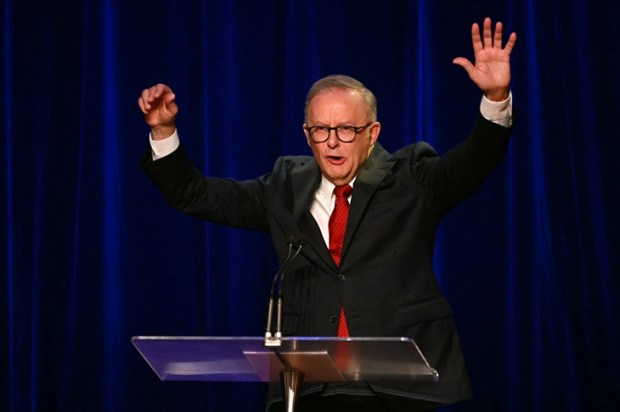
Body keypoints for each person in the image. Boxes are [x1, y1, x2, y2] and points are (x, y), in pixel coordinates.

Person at [138, 17, 517, 412]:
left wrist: (495, 98)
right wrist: (163, 132)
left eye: (346, 129)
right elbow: (197, 195)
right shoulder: (285, 186)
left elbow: (473, 163)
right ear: (307, 134)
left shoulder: (411, 177)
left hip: (399, 387)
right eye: (321, 130)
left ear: (372, 134)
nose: (333, 142)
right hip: (308, 387)